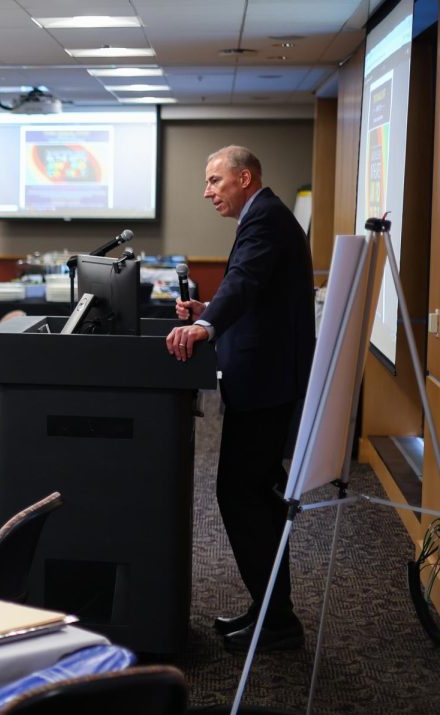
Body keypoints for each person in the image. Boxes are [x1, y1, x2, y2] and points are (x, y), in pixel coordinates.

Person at [166, 145, 314, 653]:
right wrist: (210, 308)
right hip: (266, 380)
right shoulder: (265, 215)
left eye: (214, 181)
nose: (207, 192)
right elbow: (255, 294)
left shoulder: (266, 218)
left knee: (240, 493)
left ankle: (276, 621)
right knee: (257, 496)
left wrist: (207, 323)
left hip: (266, 384)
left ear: (244, 177)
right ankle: (271, 611)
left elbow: (247, 282)